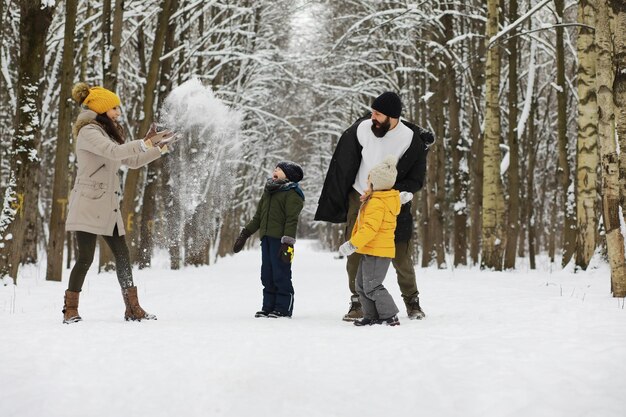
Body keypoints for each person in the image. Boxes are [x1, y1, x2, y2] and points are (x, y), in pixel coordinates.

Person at [62, 82, 175, 324]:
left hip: (108, 207)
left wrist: (159, 149)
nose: (118, 113)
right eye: (114, 109)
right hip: (88, 203)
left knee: (123, 256)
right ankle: (70, 310)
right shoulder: (89, 132)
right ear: (102, 109)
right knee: (85, 258)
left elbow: (130, 161)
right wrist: (145, 142)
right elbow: (114, 152)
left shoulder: (104, 132)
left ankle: (132, 308)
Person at [314, 91, 434, 321]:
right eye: (372, 112)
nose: (372, 118)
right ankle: (357, 302)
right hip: (359, 198)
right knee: (356, 250)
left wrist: (395, 193)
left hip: (393, 201)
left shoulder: (411, 140)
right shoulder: (361, 130)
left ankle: (412, 301)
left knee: (400, 253)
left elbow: (416, 179)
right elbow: (343, 164)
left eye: (378, 114)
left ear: (392, 116)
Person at [232, 161, 305, 318]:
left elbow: (291, 220)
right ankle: (268, 306)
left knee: (281, 274)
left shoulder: (292, 193)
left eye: (280, 169)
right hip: (266, 239)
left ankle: (283, 308)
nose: (275, 170)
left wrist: (287, 243)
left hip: (281, 242)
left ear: (289, 176)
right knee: (267, 274)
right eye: (275, 168)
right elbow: (258, 217)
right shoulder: (269, 192)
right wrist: (245, 234)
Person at [338, 156, 401, 326]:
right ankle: (371, 315)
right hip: (371, 249)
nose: (367, 183)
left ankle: (390, 315)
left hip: (378, 251)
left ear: (376, 184)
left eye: (369, 180)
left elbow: (369, 229)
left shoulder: (377, 203)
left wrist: (352, 244)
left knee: (372, 286)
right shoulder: (379, 200)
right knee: (361, 286)